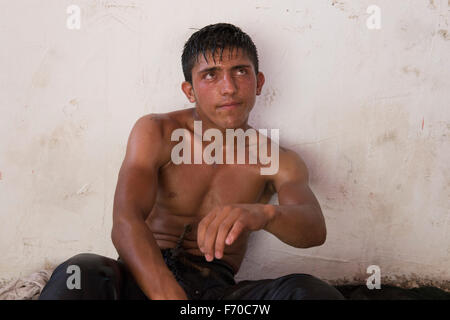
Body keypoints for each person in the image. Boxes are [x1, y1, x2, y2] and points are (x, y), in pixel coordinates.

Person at [39, 23, 344, 300]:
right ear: (189, 90)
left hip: (214, 295)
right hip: (140, 282)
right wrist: (165, 293)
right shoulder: (157, 131)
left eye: (240, 71)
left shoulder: (278, 160)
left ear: (259, 81)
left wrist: (264, 214)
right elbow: (124, 221)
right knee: (78, 273)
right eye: (211, 75)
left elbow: (314, 230)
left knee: (311, 292)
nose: (229, 87)